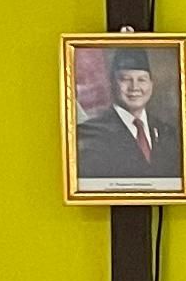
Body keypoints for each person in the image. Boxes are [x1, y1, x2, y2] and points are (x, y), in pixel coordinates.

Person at [76, 48, 179, 186]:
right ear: (112, 83)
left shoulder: (167, 133)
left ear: (151, 85)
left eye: (141, 80)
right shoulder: (91, 134)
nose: (134, 87)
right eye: (125, 79)